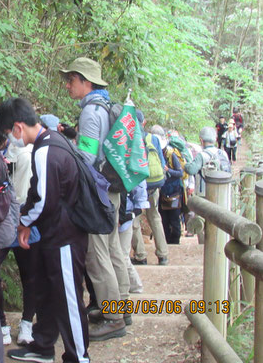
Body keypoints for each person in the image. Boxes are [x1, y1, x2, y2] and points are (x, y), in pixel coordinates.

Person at [0, 98, 90, 363]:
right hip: (54, 233)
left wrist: (23, 223)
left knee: (69, 297)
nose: (9, 140)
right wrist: (27, 221)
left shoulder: (46, 150)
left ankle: (79, 356)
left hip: (65, 237)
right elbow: (39, 193)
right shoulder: (50, 143)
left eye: (7, 134)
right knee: (50, 291)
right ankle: (43, 345)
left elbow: (44, 199)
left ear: (17, 127)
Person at [60, 57, 128, 341]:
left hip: (99, 192)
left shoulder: (91, 111)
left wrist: (65, 150)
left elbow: (87, 156)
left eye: (72, 80)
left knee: (97, 255)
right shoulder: (107, 105)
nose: (68, 85)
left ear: (86, 82)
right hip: (113, 189)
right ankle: (121, 308)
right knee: (113, 250)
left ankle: (113, 319)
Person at [0, 114, 38, 347]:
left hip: (6, 220)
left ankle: (9, 325)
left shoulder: (21, 153)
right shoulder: (8, 153)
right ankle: (21, 324)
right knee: (26, 274)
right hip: (15, 219)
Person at [131, 123, 169, 266]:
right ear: (144, 123)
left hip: (137, 183)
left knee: (135, 218)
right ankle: (163, 255)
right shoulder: (153, 138)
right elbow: (161, 161)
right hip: (154, 184)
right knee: (154, 216)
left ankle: (140, 255)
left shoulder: (130, 138)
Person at [184, 126, 231, 196]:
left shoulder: (202, 155)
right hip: (223, 192)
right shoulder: (223, 153)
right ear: (215, 139)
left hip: (206, 194)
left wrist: (186, 164)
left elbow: (191, 170)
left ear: (201, 140)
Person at [158, 134, 184, 244]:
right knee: (164, 219)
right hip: (163, 192)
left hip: (174, 192)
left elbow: (180, 173)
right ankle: (167, 241)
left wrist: (168, 170)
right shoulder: (158, 155)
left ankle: (175, 241)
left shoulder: (171, 155)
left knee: (174, 218)